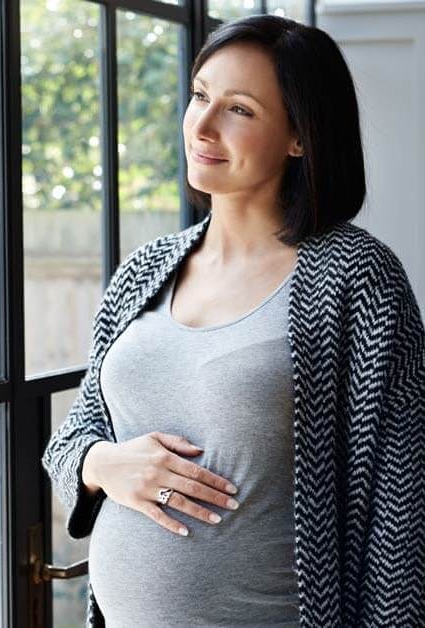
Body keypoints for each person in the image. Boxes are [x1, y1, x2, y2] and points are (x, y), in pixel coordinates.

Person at [41, 14, 425, 627]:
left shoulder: (358, 278)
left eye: (240, 109)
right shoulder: (145, 271)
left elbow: (402, 503)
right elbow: (73, 436)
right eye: (200, 96)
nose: (204, 124)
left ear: (300, 136)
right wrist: (99, 464)